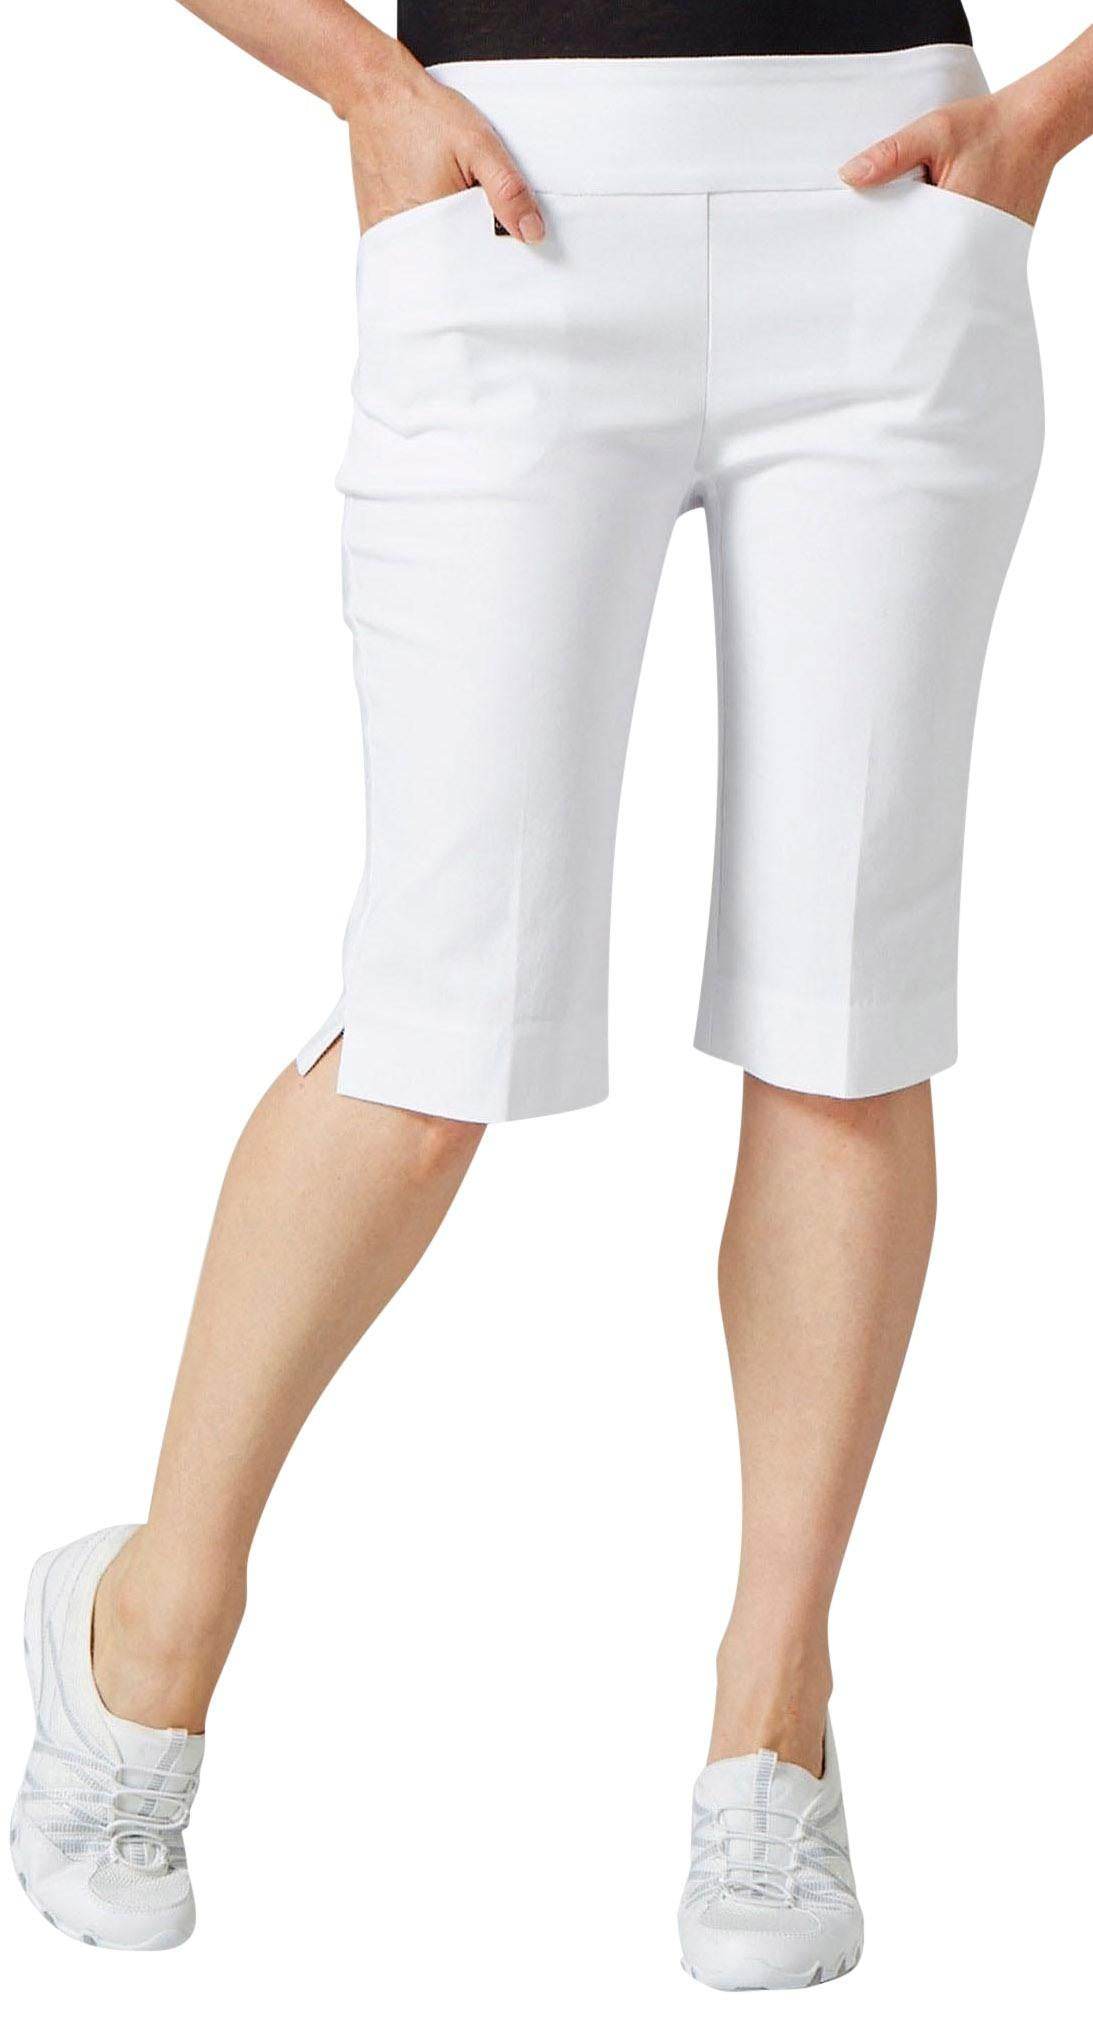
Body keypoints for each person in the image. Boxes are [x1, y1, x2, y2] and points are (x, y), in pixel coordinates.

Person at [11, 0, 1091, 1987]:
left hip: (886, 221)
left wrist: (1048, 116)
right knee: (436, 1020)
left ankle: (773, 1709)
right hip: (509, 202)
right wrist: (358, 78)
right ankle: (145, 1616)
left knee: (844, 1018)